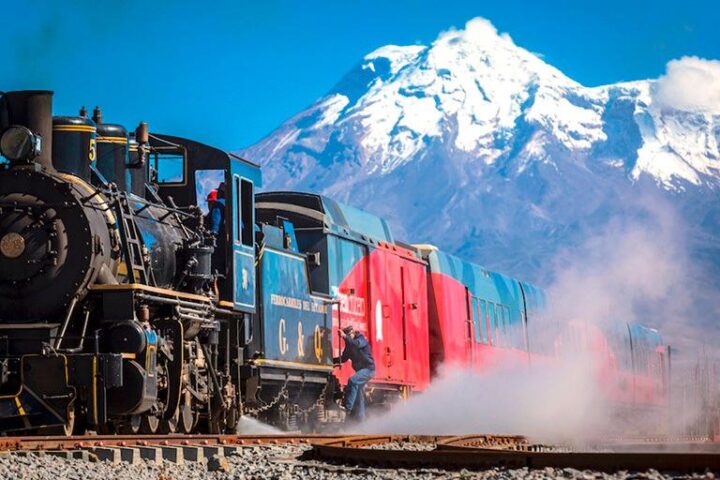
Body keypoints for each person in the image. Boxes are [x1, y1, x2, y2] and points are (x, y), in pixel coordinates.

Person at [333, 325, 375, 421]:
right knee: (359, 394)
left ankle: (347, 408)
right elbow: (343, 359)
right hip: (361, 371)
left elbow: (357, 344)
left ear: (352, 333)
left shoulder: (361, 340)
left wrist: (344, 336)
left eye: (348, 335)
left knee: (352, 380)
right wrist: (330, 360)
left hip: (368, 369)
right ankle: (361, 419)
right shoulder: (349, 346)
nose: (346, 338)